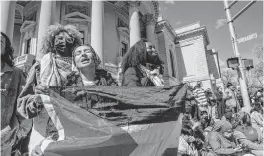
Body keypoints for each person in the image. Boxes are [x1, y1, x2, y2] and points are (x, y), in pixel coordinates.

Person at [16, 23, 82, 155]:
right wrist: (37, 100)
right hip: (44, 131)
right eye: (58, 38)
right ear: (51, 42)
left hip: (76, 131)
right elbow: (22, 103)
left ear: (74, 42)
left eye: (67, 38)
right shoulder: (39, 68)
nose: (63, 41)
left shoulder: (83, 69)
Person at [1, 32, 26, 156]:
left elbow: (23, 105)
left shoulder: (16, 74)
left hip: (3, 139)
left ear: (4, 49)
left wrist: (14, 129)